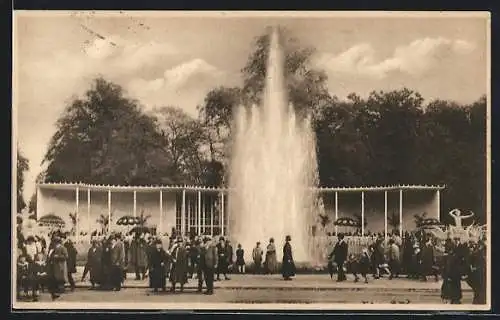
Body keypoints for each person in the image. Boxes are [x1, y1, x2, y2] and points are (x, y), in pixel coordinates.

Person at [47, 236, 68, 300]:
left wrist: (58, 256)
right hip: (54, 265)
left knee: (60, 277)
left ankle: (61, 289)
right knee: (55, 277)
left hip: (60, 265)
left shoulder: (62, 248)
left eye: (55, 242)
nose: (54, 243)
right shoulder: (53, 248)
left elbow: (66, 256)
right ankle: (56, 290)